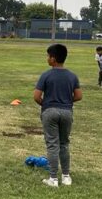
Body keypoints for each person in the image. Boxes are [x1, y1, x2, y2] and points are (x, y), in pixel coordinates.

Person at [34, 44, 83, 187]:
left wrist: (47, 104)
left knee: (52, 145)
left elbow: (37, 96)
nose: (47, 59)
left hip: (50, 111)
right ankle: (66, 176)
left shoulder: (46, 75)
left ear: (53, 59)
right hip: (67, 112)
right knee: (64, 144)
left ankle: (53, 178)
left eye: (48, 56)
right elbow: (79, 96)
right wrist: (66, 101)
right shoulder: (72, 76)